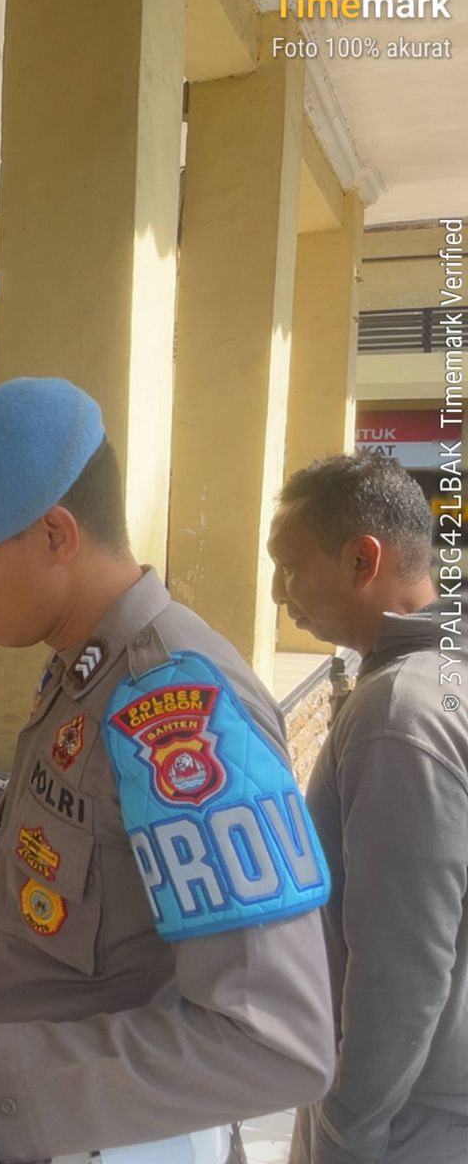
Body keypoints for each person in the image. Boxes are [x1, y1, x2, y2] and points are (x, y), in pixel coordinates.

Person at [0, 378, 335, 1164]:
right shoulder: (83, 670)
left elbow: (273, 1042)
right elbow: (110, 956)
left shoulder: (178, 713)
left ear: (56, 535)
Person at [267, 453, 467, 1164]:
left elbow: (400, 969)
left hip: (407, 1120)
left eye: (289, 566)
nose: (277, 593)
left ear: (362, 560)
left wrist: (344, 1135)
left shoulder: (400, 714)